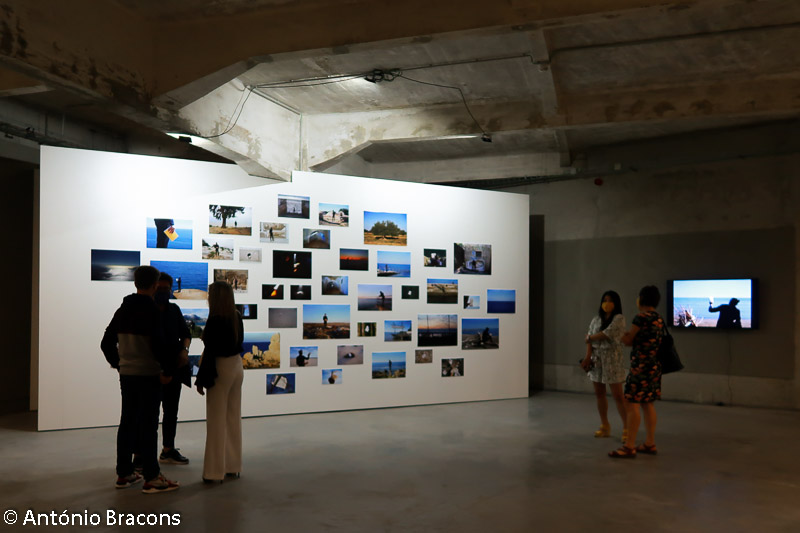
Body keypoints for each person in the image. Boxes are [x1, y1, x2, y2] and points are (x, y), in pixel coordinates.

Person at [101, 265, 180, 493]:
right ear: (155, 285)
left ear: (136, 283)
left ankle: (124, 473)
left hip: (127, 375)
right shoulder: (152, 311)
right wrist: (167, 371)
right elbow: (159, 345)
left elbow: (106, 343)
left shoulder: (123, 310)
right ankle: (152, 477)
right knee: (148, 425)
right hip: (148, 375)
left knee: (127, 422)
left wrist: (119, 364)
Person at [196, 281, 244, 482]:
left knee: (216, 420)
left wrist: (200, 379)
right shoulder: (236, 316)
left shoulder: (215, 319)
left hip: (220, 368)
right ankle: (233, 465)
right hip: (236, 366)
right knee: (233, 417)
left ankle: (214, 471)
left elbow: (210, 351)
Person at [610, 285, 664, 458]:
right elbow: (645, 339)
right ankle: (650, 443)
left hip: (640, 367)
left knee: (631, 403)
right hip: (654, 367)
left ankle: (629, 446)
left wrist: (618, 334)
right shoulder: (658, 318)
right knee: (647, 404)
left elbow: (628, 341)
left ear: (642, 299)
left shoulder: (640, 318)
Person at [154, 272, 192, 466]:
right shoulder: (147, 311)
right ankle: (142, 455)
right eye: (159, 288)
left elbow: (186, 334)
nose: (163, 292)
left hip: (174, 368)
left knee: (171, 412)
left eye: (166, 289)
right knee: (149, 414)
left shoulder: (174, 310)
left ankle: (168, 449)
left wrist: (185, 350)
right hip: (152, 371)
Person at [580, 290, 627, 441]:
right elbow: (589, 340)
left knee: (618, 396)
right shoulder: (596, 319)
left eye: (610, 300)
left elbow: (607, 334)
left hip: (612, 360)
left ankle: (627, 428)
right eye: (605, 300)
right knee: (599, 394)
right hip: (597, 359)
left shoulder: (619, 319)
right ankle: (605, 425)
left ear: (616, 303)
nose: (607, 303)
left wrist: (590, 338)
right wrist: (587, 357)